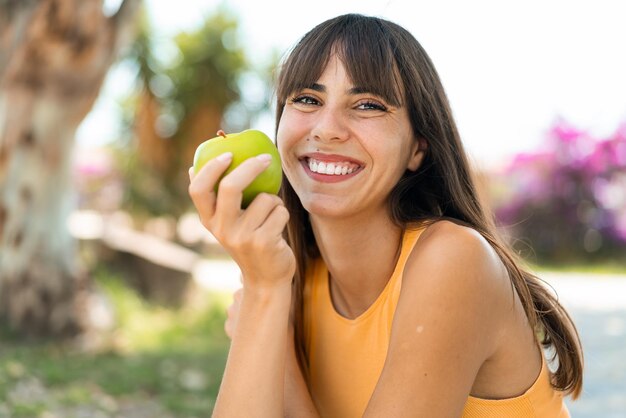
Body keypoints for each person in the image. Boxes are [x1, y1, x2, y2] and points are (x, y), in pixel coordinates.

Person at [188, 13, 583, 418]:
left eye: (367, 105)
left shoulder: (454, 259)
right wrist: (265, 292)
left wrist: (269, 315)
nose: (327, 129)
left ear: (418, 148)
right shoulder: (293, 276)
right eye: (307, 99)